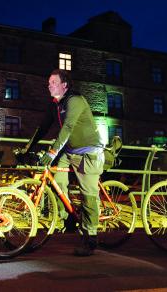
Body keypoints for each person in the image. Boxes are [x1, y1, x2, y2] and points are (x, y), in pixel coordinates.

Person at [21, 69, 104, 256]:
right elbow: (43, 127)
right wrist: (27, 148)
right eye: (48, 82)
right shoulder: (55, 105)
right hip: (69, 151)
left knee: (87, 194)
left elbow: (68, 127)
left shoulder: (75, 100)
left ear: (64, 85)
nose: (49, 85)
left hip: (88, 152)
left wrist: (52, 152)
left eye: (53, 82)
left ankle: (90, 237)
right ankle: (69, 217)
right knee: (57, 182)